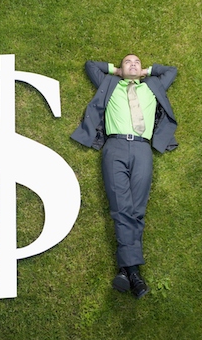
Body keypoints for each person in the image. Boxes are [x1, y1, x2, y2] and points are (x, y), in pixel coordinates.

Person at [71, 55, 178, 299]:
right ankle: (134, 274)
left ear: (142, 70)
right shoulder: (109, 83)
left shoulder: (154, 86)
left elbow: (171, 70)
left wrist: (146, 72)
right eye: (127, 61)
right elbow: (89, 65)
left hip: (142, 149)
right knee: (121, 207)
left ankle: (125, 270)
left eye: (137, 62)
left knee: (137, 209)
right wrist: (117, 71)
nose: (132, 63)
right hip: (115, 147)